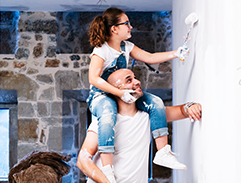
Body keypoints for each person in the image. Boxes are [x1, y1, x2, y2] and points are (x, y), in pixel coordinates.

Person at [86, 7, 189, 182]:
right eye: (126, 23)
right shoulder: (101, 50)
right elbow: (93, 79)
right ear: (114, 29)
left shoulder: (127, 47)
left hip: (124, 93)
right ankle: (107, 168)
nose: (131, 27)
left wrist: (175, 53)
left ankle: (163, 151)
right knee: (108, 113)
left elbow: (149, 57)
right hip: (101, 96)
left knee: (155, 102)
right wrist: (119, 93)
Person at [78, 69, 202, 183]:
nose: (137, 82)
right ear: (115, 90)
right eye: (129, 80)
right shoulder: (105, 123)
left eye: (135, 78)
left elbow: (181, 111)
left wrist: (190, 106)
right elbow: (83, 161)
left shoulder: (149, 117)